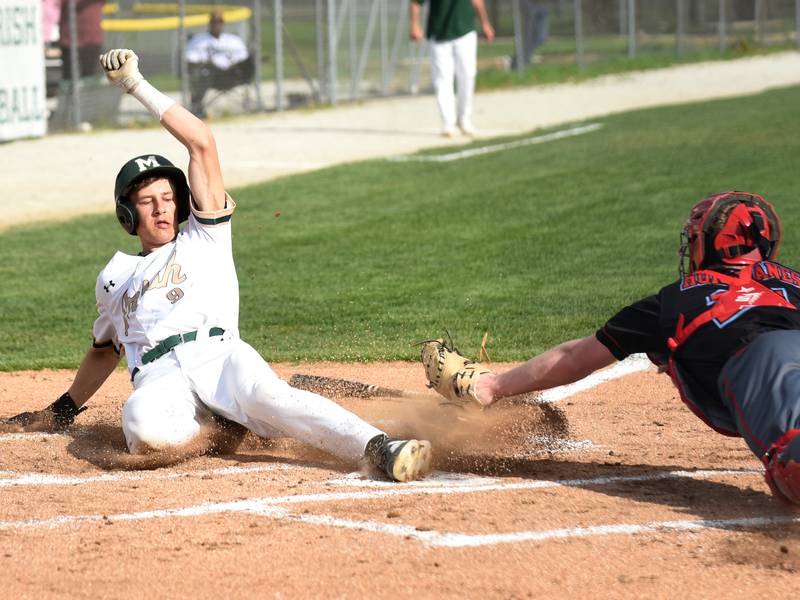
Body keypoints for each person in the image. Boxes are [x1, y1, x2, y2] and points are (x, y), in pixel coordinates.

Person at [1, 48, 431, 483]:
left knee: (269, 396)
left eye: (168, 199)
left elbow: (202, 141)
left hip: (221, 356)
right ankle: (223, 425)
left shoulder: (205, 236)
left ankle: (378, 446)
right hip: (158, 378)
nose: (162, 209)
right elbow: (103, 352)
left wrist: (135, 85)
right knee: (142, 425)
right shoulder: (114, 278)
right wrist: (63, 409)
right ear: (127, 216)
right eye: (148, 202)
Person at [422, 191, 800, 504]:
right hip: (776, 365)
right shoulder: (794, 283)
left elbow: (574, 357)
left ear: (712, 243)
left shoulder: (672, 304)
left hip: (765, 364)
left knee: (793, 466)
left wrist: (491, 386)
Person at [410, 0, 494, 137]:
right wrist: (414, 25)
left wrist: (485, 23)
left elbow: (477, 1)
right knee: (442, 79)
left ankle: (464, 118)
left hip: (465, 30)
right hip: (438, 33)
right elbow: (415, 2)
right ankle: (448, 123)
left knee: (467, 74)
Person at [184, 10, 251, 118]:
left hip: (232, 75)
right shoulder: (199, 40)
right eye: (214, 21)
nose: (217, 24)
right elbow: (191, 59)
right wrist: (207, 62)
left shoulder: (233, 40)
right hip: (211, 77)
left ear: (223, 23)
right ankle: (197, 107)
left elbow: (244, 57)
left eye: (219, 21)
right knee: (207, 70)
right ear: (209, 23)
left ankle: (248, 106)